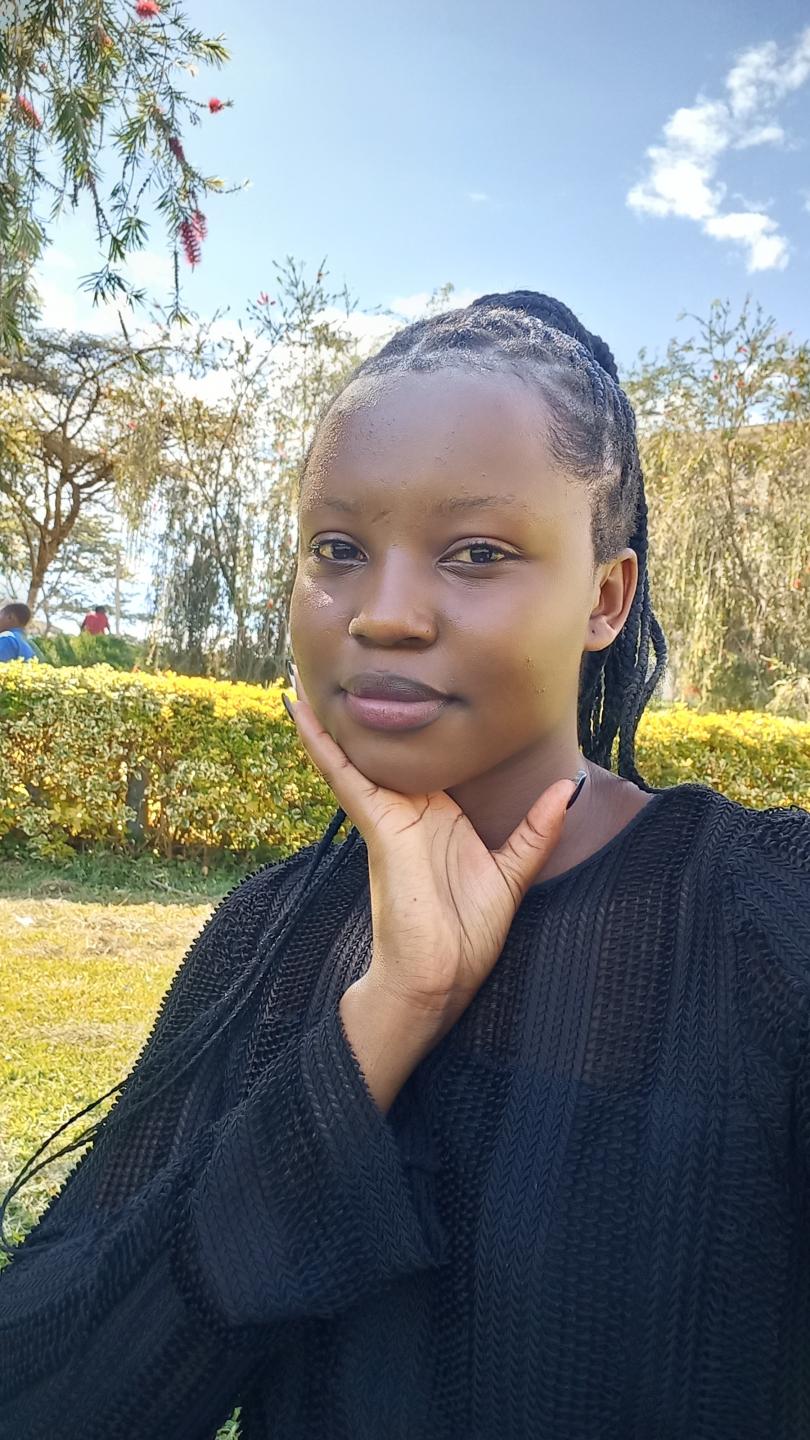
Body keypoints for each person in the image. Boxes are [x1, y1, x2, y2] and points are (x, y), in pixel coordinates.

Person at [1, 292, 808, 1440]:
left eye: (476, 553)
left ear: (605, 598)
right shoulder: (268, 935)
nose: (382, 616)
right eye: (338, 549)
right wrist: (388, 1015)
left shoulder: (772, 919)